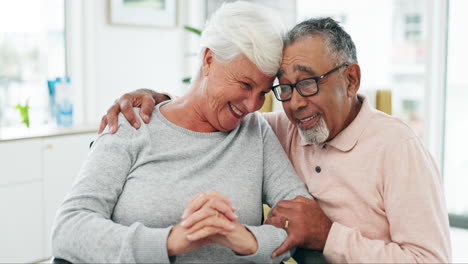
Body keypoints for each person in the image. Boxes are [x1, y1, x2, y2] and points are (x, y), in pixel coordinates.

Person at [102, 17, 452, 263]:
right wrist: (153, 99)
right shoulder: (278, 128)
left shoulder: (397, 148)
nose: (296, 103)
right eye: (283, 88)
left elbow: (430, 260)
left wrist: (329, 236)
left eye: (308, 82)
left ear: (350, 79)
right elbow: (212, 115)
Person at [51, 2, 313, 263]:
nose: (252, 105)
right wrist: (171, 241)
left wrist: (244, 238)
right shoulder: (133, 124)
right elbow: (69, 228)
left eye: (263, 93)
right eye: (245, 84)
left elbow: (301, 219)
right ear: (209, 60)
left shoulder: (256, 132)